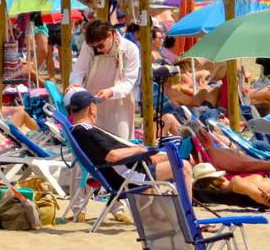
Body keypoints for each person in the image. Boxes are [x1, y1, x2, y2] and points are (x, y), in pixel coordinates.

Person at [65, 90, 196, 216]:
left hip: (131, 168)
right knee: (184, 167)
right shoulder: (86, 131)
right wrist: (140, 150)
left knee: (183, 158)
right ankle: (187, 216)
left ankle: (164, 212)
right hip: (130, 175)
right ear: (91, 109)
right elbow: (112, 156)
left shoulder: (80, 130)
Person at [69, 19, 141, 141]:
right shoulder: (89, 47)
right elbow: (78, 70)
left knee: (120, 142)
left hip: (119, 105)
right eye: (94, 47)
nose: (98, 50)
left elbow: (129, 82)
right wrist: (75, 84)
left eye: (100, 45)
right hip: (91, 103)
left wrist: (111, 92)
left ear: (110, 34)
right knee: (91, 142)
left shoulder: (130, 49)